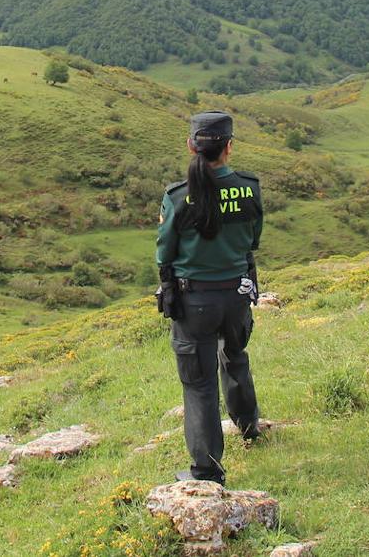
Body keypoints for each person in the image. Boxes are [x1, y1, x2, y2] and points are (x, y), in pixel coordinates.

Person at [155, 110, 263, 486]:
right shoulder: (249, 187)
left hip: (194, 302)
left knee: (198, 384)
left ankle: (206, 472)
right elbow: (253, 240)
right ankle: (249, 427)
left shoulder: (179, 196)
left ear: (191, 146)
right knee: (235, 356)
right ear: (229, 147)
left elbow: (164, 251)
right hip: (237, 294)